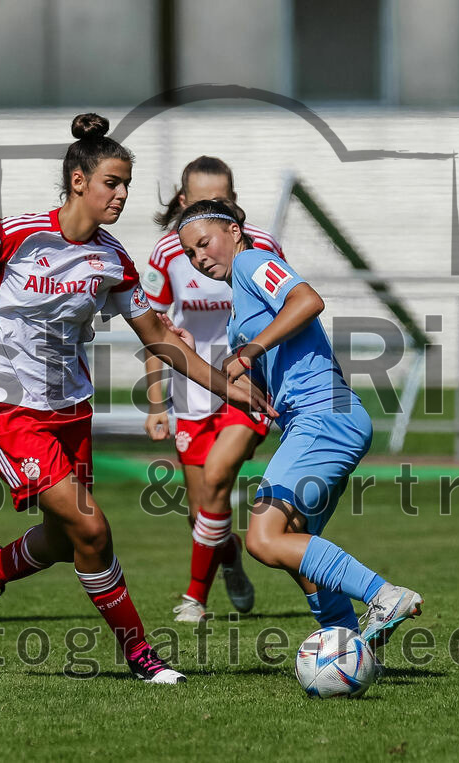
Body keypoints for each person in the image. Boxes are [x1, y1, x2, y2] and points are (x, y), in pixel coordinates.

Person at [0, 114, 271, 684]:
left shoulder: (113, 260)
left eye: (127, 184)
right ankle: (143, 656)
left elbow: (159, 340)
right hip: (8, 410)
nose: (123, 194)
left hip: (71, 411)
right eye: (113, 182)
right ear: (79, 181)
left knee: (65, 539)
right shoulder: (15, 233)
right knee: (93, 528)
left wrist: (234, 387)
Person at [174, 198, 423, 652]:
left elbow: (308, 300)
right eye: (189, 253)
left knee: (263, 539)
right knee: (294, 546)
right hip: (314, 420)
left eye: (204, 243)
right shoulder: (237, 317)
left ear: (233, 231)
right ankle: (347, 644)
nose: (199, 257)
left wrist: (249, 352)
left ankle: (384, 595)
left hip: (324, 415)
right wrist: (210, 358)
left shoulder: (253, 261)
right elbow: (260, 378)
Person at [141, 157, 284, 623]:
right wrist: (157, 402)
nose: (212, 207)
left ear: (234, 204)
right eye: (202, 200)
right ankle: (231, 559)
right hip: (192, 392)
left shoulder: (261, 247)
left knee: (220, 476)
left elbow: (284, 313)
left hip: (247, 388)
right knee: (202, 509)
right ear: (183, 202)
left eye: (221, 201)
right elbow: (155, 331)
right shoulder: (167, 253)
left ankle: (193, 600)